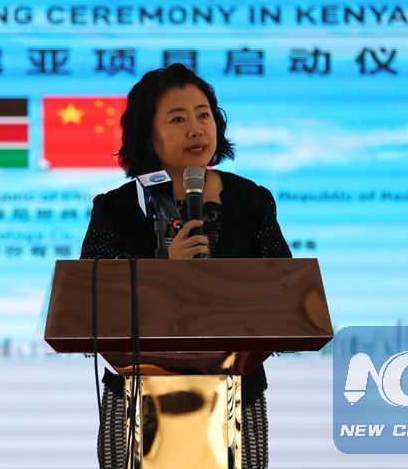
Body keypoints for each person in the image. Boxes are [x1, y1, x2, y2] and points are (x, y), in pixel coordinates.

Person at [80, 63, 290, 469]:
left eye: (203, 115)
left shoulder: (251, 200)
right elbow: (93, 293)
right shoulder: (115, 208)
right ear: (148, 134)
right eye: (178, 119)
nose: (196, 129)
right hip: (136, 395)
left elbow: (283, 284)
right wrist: (163, 269)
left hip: (236, 392)